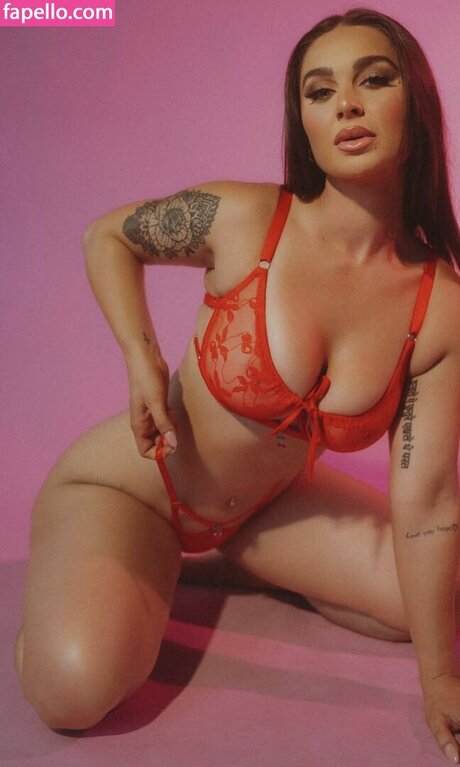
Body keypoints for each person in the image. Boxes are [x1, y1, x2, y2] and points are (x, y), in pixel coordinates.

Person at [14, 6, 460, 763]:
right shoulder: (245, 218)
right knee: (74, 692)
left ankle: (228, 562)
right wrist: (143, 359)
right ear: (304, 122)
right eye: (320, 91)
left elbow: (430, 498)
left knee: (433, 605)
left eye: (374, 80)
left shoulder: (438, 305)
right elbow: (107, 236)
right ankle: (103, 559)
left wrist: (439, 675)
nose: (346, 105)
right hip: (136, 488)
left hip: (264, 510)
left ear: (414, 101)